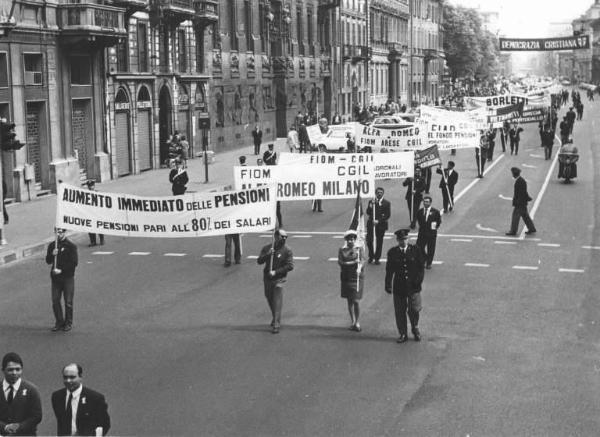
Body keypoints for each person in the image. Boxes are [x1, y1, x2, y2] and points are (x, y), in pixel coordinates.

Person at [385, 229, 426, 343]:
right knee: (400, 311)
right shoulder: (392, 252)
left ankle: (415, 328)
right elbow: (389, 270)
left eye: (405, 239)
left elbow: (421, 268)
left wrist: (418, 281)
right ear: (398, 240)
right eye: (401, 239)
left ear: (408, 239)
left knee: (414, 309)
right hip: (399, 286)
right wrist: (388, 284)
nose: (403, 241)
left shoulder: (415, 250)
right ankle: (403, 333)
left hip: (413, 286)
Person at [51, 363, 110, 436]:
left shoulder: (95, 398)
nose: (68, 381)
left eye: (72, 377)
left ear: (80, 377)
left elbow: (105, 424)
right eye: (65, 377)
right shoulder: (57, 397)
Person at [257, 229, 294, 334]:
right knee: (269, 298)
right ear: (276, 237)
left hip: (279, 278)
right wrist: (268, 254)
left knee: (277, 300)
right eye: (282, 237)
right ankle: (275, 317)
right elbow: (259, 261)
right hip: (267, 278)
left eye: (285, 238)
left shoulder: (287, 250)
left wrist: (276, 272)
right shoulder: (267, 248)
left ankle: (276, 324)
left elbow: (290, 266)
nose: (284, 239)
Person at [0, 352, 42, 436]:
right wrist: (4, 427)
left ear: (22, 369)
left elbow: (36, 416)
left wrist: (18, 427)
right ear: (3, 370)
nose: (14, 373)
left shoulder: (31, 390)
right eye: (10, 369)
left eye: (18, 369)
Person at [46, 228, 78, 332]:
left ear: (65, 232)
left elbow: (74, 263)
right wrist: (52, 254)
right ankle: (59, 322)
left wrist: (61, 270)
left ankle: (68, 323)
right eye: (57, 232)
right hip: (55, 278)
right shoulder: (52, 245)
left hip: (67, 278)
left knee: (68, 301)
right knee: (55, 300)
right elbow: (48, 261)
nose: (59, 234)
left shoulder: (71, 246)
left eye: (61, 232)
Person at [337, 230, 365, 332]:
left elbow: (363, 260)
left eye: (353, 239)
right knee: (349, 300)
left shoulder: (359, 249)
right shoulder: (342, 250)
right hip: (346, 277)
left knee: (356, 300)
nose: (351, 241)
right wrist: (352, 262)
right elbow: (340, 262)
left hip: (356, 277)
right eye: (349, 239)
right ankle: (353, 321)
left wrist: (359, 267)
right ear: (346, 240)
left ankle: (357, 322)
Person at [506, 167, 536, 236]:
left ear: (514, 174)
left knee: (515, 217)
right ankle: (531, 228)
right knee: (525, 216)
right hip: (522, 203)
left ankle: (513, 231)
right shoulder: (521, 180)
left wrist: (517, 202)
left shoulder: (519, 181)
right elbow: (524, 192)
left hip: (520, 203)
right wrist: (527, 198)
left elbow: (521, 193)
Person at [366, 187, 391, 265]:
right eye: (378, 192)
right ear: (376, 193)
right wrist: (371, 205)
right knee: (369, 241)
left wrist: (379, 221)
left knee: (379, 242)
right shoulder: (371, 201)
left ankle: (377, 258)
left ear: (383, 193)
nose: (379, 193)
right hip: (371, 224)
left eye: (381, 192)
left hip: (381, 225)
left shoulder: (386, 203)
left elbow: (387, 215)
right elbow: (368, 212)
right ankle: (371, 256)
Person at [415, 196, 442, 269]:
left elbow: (438, 222)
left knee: (431, 249)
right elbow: (419, 220)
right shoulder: (420, 211)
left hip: (431, 234)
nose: (425, 203)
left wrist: (434, 227)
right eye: (424, 201)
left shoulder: (435, 212)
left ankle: (429, 263)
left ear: (430, 203)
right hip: (422, 233)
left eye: (427, 201)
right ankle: (425, 258)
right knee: (419, 248)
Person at [85, 180, 104, 247]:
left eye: (92, 186)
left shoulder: (98, 193)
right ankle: (93, 241)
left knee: (99, 226)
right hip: (89, 213)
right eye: (89, 186)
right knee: (90, 227)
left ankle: (102, 239)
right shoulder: (85, 194)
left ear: (94, 186)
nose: (91, 187)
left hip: (97, 213)